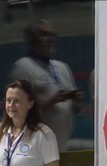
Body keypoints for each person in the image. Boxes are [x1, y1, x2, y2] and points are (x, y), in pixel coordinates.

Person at [10, 20, 83, 152]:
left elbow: (73, 110)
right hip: (34, 150)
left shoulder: (62, 67)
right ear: (30, 39)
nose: (49, 39)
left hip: (60, 147)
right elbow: (17, 111)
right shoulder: (22, 68)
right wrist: (50, 102)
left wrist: (76, 103)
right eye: (43, 34)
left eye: (51, 35)